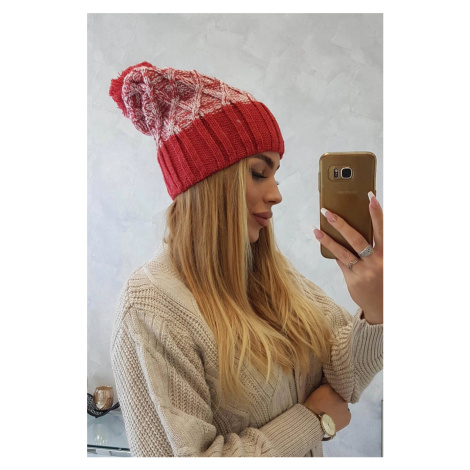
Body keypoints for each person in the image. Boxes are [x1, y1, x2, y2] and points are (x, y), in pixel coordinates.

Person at [109, 62, 383, 457]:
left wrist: (376, 310)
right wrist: (312, 420)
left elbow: (345, 381)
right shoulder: (150, 307)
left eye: (275, 175)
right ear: (209, 182)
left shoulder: (271, 274)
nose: (277, 194)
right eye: (258, 173)